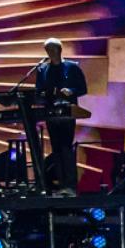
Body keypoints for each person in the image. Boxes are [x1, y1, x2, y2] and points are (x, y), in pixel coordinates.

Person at [35, 38, 88, 194]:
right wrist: (44, 95)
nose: (49, 53)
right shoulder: (42, 69)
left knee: (66, 148)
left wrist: (71, 91)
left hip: (66, 111)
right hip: (51, 112)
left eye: (52, 49)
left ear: (59, 50)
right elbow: (38, 90)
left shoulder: (72, 68)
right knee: (56, 149)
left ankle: (70, 185)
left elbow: (83, 88)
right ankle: (60, 184)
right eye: (47, 50)